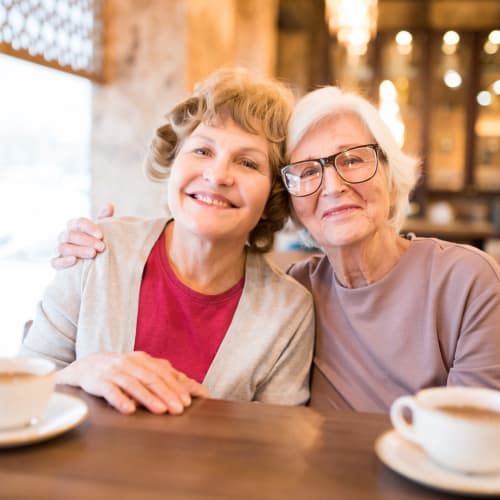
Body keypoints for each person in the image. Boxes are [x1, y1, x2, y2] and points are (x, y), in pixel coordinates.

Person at [50, 85, 500, 414]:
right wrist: (76, 368)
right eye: (307, 170)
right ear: (291, 196)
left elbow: (473, 438)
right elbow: (32, 372)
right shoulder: (299, 290)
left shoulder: (462, 281)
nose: (333, 185)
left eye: (354, 159)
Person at [21, 68, 314, 415]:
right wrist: (81, 371)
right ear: (174, 161)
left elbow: (277, 447)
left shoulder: (288, 311)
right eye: (203, 151)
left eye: (248, 162)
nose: (218, 175)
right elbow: (23, 388)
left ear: (273, 197)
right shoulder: (96, 248)